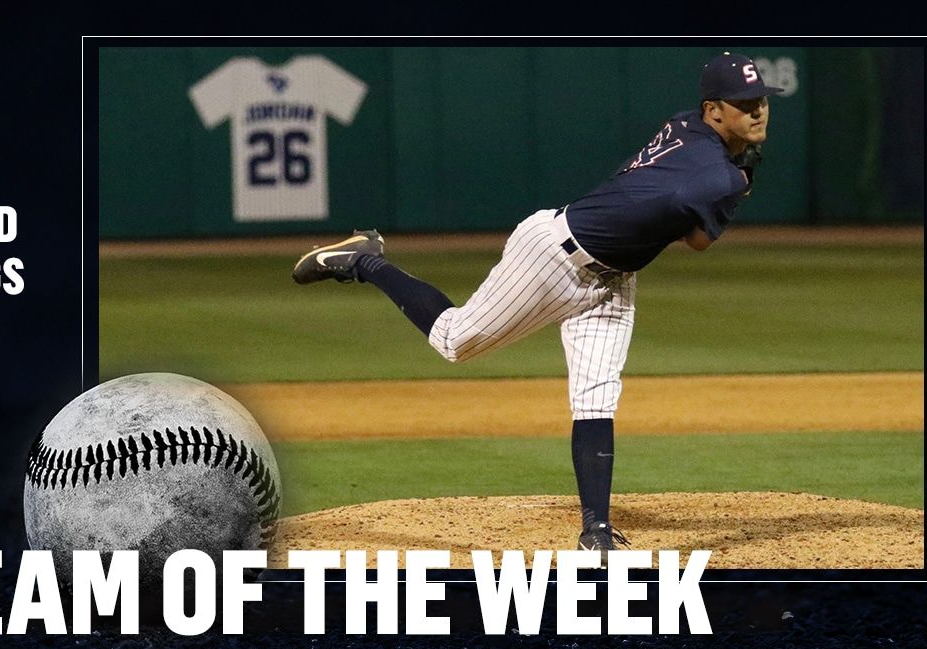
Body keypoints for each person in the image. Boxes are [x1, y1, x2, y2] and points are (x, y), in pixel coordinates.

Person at [292, 52, 782, 561]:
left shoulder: (684, 126)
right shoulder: (719, 178)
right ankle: (364, 261)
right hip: (554, 255)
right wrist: (741, 183)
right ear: (713, 110)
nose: (758, 110)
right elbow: (699, 240)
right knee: (453, 341)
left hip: (613, 278)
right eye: (743, 103)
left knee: (596, 397)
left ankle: (596, 530)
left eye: (762, 100)